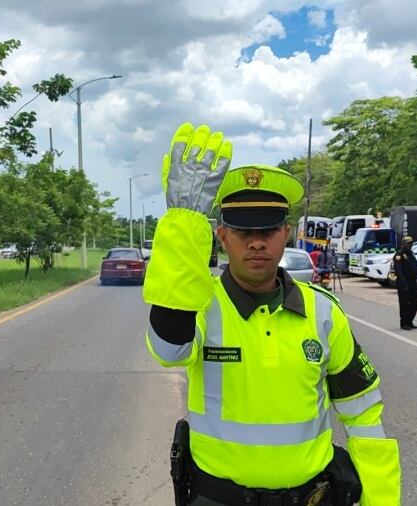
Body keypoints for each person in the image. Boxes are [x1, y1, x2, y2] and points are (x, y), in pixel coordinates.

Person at [143, 123, 401, 506]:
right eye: (243, 231)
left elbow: (364, 417)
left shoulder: (323, 312)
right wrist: (183, 226)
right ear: (222, 236)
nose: (257, 242)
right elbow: (169, 349)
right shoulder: (198, 304)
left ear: (287, 234)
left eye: (268, 230)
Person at [393, 236, 417, 330]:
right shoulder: (399, 255)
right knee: (404, 304)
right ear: (403, 244)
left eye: (411, 243)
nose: (410, 245)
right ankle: (404, 323)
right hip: (404, 283)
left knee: (415, 302)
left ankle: (410, 321)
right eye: (408, 243)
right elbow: (398, 271)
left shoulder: (411, 254)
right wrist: (404, 284)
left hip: (413, 282)